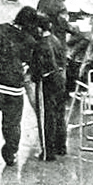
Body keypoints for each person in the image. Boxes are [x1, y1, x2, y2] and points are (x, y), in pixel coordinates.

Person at [0, 6, 40, 166]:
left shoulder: (1, 29)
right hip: (14, 90)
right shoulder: (28, 40)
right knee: (12, 125)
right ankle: (10, 153)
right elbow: (30, 63)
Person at [29, 13, 65, 160]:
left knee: (46, 116)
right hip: (59, 80)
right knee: (59, 114)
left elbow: (36, 70)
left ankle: (47, 152)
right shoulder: (55, 40)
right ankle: (61, 146)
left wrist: (32, 76)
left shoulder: (40, 45)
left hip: (46, 82)